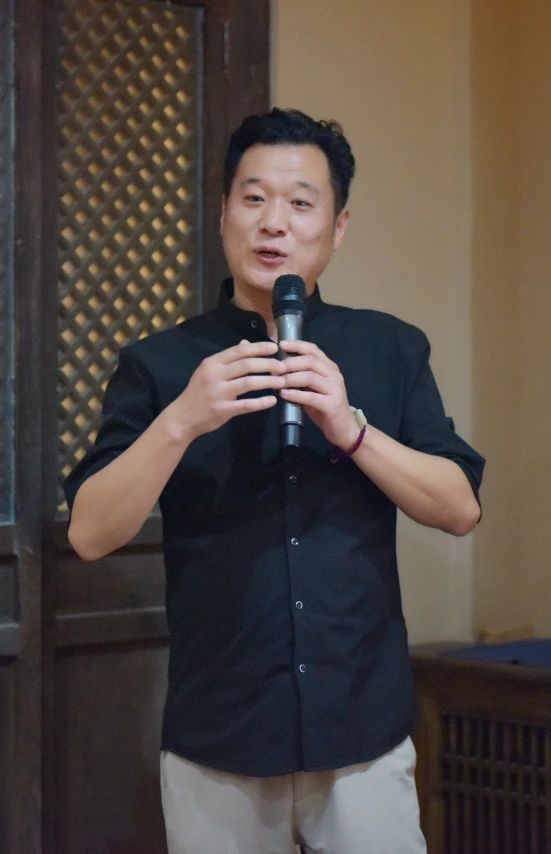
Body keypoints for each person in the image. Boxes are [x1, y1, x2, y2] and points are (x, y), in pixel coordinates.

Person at [64, 107, 484, 853]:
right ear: (223, 213)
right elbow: (91, 533)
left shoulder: (388, 348)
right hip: (219, 736)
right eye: (253, 198)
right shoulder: (160, 364)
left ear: (338, 226)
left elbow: (459, 508)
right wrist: (181, 420)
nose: (273, 223)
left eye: (300, 202)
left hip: (362, 726)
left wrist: (351, 429)